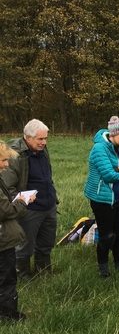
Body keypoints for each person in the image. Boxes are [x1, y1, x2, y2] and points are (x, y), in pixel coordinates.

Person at [84, 116, 119, 277]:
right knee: (107, 235)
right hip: (103, 199)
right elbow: (108, 175)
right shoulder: (99, 149)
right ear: (113, 134)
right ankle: (103, 266)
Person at [1, 119, 58, 278]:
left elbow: (47, 176)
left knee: (46, 244)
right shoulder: (15, 155)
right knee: (24, 247)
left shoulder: (42, 150)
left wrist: (53, 196)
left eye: (46, 138)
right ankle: (23, 277)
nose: (44, 142)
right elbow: (7, 187)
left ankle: (44, 273)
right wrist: (21, 204)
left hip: (49, 205)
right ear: (28, 137)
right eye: (40, 139)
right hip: (29, 209)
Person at [0, 141, 35, 322]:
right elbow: (5, 210)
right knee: (6, 278)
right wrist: (22, 201)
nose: (7, 165)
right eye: (4, 160)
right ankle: (9, 316)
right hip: (3, 239)